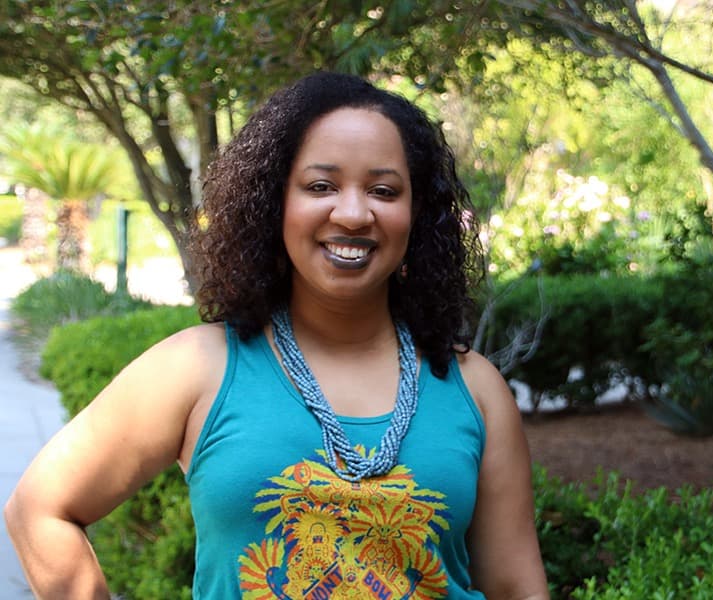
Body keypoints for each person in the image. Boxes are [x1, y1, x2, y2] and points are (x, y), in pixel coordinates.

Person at [4, 71, 549, 599]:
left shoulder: (475, 391)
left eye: (384, 190)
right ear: (273, 203)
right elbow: (41, 508)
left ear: (416, 213)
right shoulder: (197, 368)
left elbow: (514, 588)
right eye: (321, 185)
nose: (355, 213)